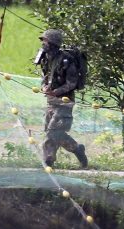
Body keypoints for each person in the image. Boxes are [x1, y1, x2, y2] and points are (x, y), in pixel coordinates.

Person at [36, 29, 88, 169]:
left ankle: (48, 162)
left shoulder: (66, 59)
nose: (43, 43)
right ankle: (78, 150)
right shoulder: (45, 57)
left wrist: (56, 92)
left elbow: (72, 83)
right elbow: (45, 76)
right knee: (54, 133)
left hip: (65, 102)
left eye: (45, 41)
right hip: (51, 101)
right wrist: (44, 87)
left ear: (53, 43)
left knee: (53, 132)